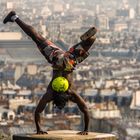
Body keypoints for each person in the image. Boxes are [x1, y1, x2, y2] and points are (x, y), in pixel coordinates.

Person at [3, 11, 97, 135]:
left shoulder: (70, 93)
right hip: (57, 59)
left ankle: (88, 39)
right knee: (37, 38)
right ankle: (14, 17)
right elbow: (37, 112)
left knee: (89, 42)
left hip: (69, 61)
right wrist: (38, 129)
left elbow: (85, 110)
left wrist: (86, 129)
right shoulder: (52, 93)